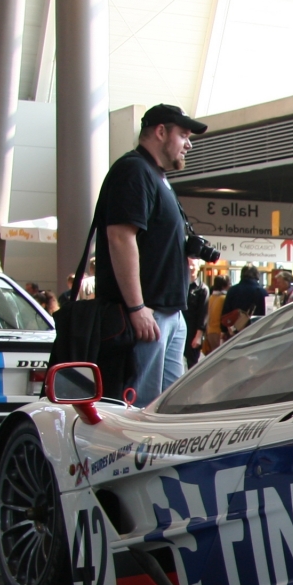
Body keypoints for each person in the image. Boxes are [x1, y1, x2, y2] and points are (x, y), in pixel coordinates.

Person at [95, 103, 208, 404]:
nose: (188, 144)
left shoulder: (157, 177)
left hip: (166, 313)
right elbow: (120, 237)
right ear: (160, 132)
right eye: (183, 135)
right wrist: (136, 307)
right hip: (147, 315)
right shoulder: (134, 170)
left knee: (166, 411)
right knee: (139, 413)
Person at [221, 264, 267, 341]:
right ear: (256, 275)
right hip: (255, 333)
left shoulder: (232, 290)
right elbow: (266, 314)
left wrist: (224, 330)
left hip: (235, 333)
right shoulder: (262, 292)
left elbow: (226, 312)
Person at [183, 262, 209, 370]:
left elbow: (203, 315)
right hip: (179, 329)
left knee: (191, 364)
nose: (191, 267)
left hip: (192, 332)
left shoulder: (202, 289)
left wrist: (198, 336)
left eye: (194, 265)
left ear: (199, 267)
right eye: (188, 264)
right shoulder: (180, 285)